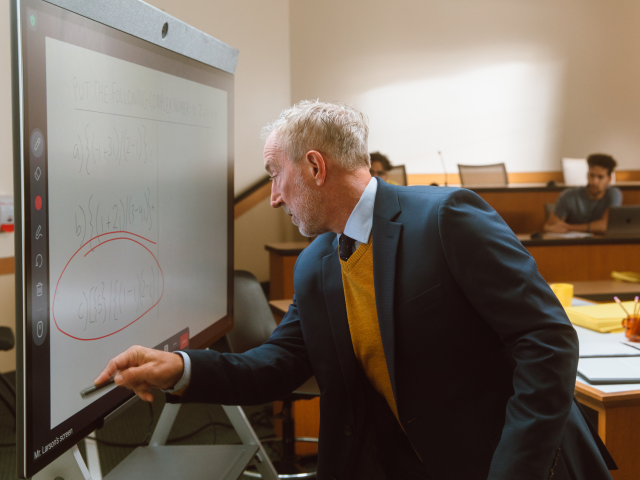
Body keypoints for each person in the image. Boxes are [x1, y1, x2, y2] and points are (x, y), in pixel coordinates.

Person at [96, 101, 615, 480]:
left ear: (316, 167)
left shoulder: (447, 217)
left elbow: (547, 340)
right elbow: (277, 364)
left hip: (509, 463)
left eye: (276, 175)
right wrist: (182, 368)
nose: (273, 198)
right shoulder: (317, 263)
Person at [544, 154, 622, 234]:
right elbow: (549, 226)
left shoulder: (614, 194)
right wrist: (553, 228)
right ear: (587, 175)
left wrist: (570, 227)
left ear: (609, 179)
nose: (594, 181)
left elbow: (604, 226)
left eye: (600, 177)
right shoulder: (569, 196)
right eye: (591, 175)